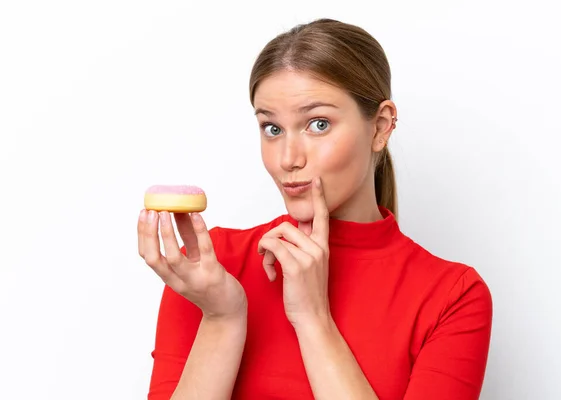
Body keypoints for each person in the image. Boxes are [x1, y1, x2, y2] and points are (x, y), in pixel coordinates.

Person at [138, 18, 493, 400]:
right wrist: (221, 318)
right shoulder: (210, 268)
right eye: (272, 128)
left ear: (381, 127)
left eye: (318, 124)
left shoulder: (452, 297)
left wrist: (313, 319)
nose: (288, 158)